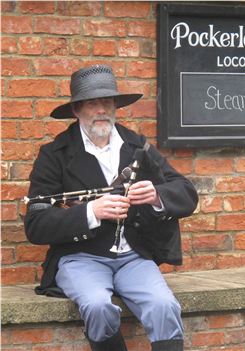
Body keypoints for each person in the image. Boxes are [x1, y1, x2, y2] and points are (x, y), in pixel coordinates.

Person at [24, 64, 198, 351]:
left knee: (164, 305)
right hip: (81, 257)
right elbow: (36, 224)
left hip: (133, 257)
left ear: (116, 105)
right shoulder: (55, 154)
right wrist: (92, 212)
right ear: (77, 109)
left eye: (107, 101)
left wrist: (157, 194)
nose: (102, 109)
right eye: (93, 103)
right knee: (96, 306)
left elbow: (186, 193)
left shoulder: (137, 146)